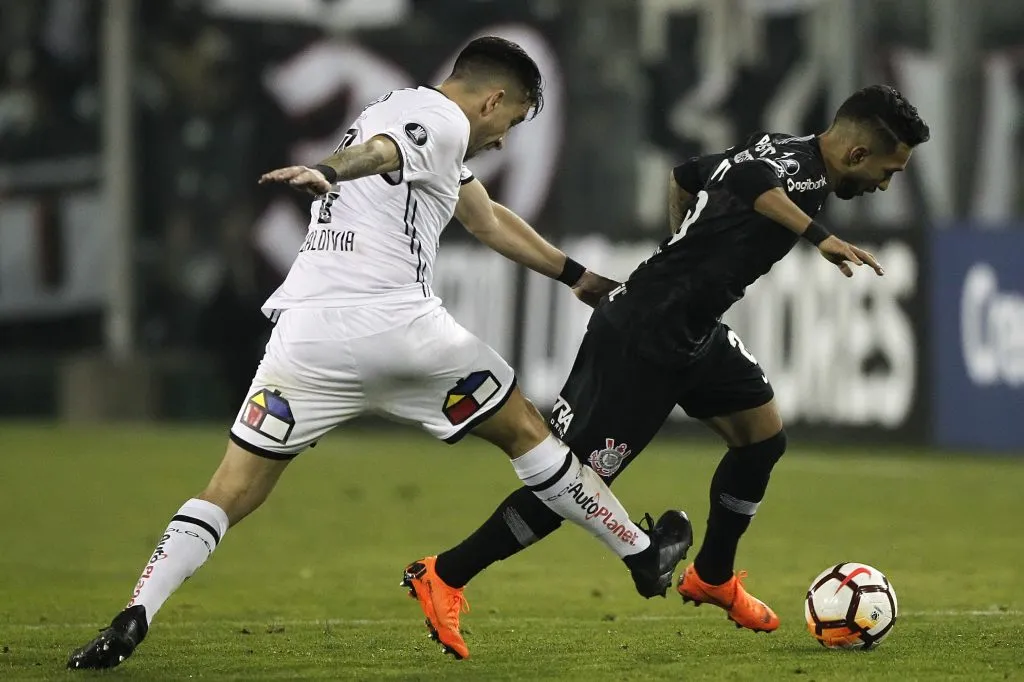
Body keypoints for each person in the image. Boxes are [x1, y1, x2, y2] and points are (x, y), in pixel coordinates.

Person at [66, 36, 692, 670]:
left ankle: (136, 613)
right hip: (399, 332)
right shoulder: (443, 122)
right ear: (494, 100)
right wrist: (329, 170)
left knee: (228, 491)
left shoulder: (394, 107)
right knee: (529, 433)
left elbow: (486, 220)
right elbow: (386, 152)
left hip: (306, 343)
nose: (504, 139)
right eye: (512, 121)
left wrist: (577, 277)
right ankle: (643, 555)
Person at [406, 85, 930, 657]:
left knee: (761, 438)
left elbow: (686, 173)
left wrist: (679, 241)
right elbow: (747, 183)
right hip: (639, 339)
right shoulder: (798, 172)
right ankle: (445, 574)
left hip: (694, 333)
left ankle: (713, 576)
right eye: (890, 169)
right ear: (858, 154)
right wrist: (819, 237)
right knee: (574, 484)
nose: (885, 183)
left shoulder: (786, 150)